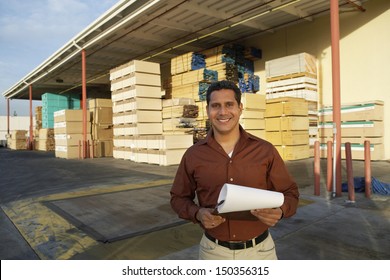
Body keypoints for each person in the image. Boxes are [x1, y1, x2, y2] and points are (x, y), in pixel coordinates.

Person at [170, 80, 299, 260]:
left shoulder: (265, 151)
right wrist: (197, 213)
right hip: (214, 253)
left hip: (260, 253)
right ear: (207, 110)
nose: (223, 112)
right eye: (216, 106)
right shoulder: (193, 155)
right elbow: (178, 198)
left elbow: (290, 193)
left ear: (240, 108)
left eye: (229, 104)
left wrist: (281, 210)